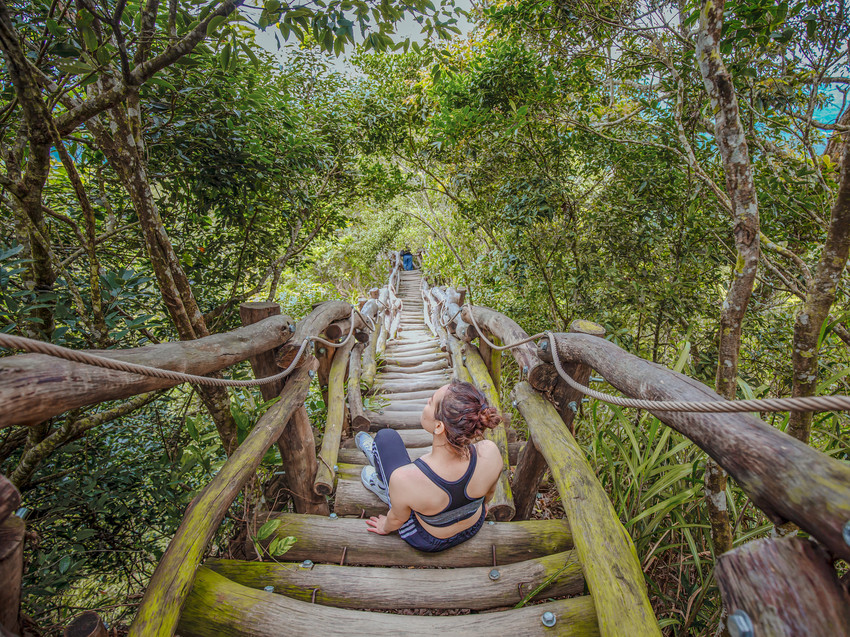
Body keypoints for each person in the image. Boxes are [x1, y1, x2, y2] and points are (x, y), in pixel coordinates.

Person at [355, 380, 504, 552]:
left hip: (428, 539)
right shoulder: (490, 452)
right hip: (473, 525)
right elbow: (488, 495)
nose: (426, 404)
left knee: (386, 439)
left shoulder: (405, 478)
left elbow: (397, 519)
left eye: (430, 402)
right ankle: (387, 477)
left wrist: (384, 526)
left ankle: (384, 486)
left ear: (439, 426)